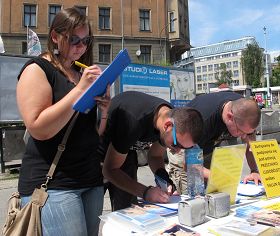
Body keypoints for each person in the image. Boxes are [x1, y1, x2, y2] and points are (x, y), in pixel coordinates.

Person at [16, 7, 110, 236]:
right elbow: (38, 128)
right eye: (74, 39)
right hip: (55, 183)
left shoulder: (80, 74)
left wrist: (104, 110)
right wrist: (80, 89)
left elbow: (93, 134)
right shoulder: (37, 69)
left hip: (90, 178)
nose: (81, 46)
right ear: (55, 37)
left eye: (85, 40)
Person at [99, 91, 204, 211]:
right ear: (167, 126)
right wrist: (146, 192)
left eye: (185, 148)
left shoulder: (171, 119)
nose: (177, 150)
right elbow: (110, 170)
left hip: (125, 151)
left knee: (128, 211)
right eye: (176, 144)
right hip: (97, 155)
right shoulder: (134, 121)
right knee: (92, 217)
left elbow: (154, 156)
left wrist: (163, 178)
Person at [167, 91, 262, 194]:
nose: (244, 136)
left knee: (213, 192)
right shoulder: (203, 120)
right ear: (230, 117)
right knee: (191, 194)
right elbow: (189, 165)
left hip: (207, 145)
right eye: (241, 131)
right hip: (183, 145)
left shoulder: (243, 108)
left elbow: (250, 145)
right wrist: (221, 178)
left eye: (248, 133)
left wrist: (254, 171)